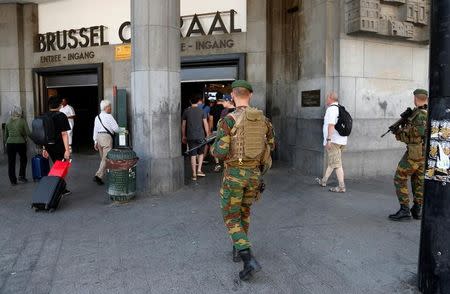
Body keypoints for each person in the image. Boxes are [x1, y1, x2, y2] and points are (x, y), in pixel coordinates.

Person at [211, 80, 275, 281]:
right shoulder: (264, 120)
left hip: (234, 176)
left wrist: (214, 145)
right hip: (255, 175)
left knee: (231, 216)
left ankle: (248, 258)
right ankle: (239, 248)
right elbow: (271, 145)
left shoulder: (228, 120)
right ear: (250, 96)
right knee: (245, 211)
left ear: (232, 96)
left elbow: (220, 152)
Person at [389, 89, 428, 221]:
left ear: (416, 99)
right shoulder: (425, 112)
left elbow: (413, 136)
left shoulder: (420, 115)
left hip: (414, 153)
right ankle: (417, 210)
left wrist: (397, 132)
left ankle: (405, 210)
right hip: (423, 152)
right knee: (418, 180)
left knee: (399, 178)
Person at [315, 92, 348, 193]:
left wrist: (328, 139)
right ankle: (324, 181)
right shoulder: (340, 108)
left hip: (334, 140)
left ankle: (341, 187)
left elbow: (331, 125)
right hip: (341, 140)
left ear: (330, 98)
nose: (326, 100)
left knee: (337, 164)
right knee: (333, 162)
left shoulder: (332, 109)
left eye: (327, 98)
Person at [42, 96, 72, 196]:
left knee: (56, 166)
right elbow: (64, 134)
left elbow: (43, 133)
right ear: (60, 105)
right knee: (61, 168)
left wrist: (44, 148)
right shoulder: (61, 116)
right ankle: (58, 189)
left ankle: (60, 188)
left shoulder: (44, 115)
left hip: (48, 146)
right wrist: (67, 150)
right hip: (59, 147)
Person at [182, 94, 210, 181]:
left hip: (190, 136)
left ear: (190, 102)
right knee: (201, 153)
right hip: (201, 135)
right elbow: (205, 123)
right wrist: (208, 134)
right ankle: (199, 170)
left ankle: (194, 174)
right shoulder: (202, 111)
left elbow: (183, 125)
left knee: (193, 155)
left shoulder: (186, 111)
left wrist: (183, 135)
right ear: (198, 102)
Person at [92, 100, 120, 185]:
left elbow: (95, 130)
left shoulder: (97, 117)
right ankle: (98, 176)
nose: (111, 108)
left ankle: (102, 176)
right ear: (105, 108)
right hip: (106, 138)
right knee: (106, 158)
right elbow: (116, 129)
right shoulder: (109, 116)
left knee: (103, 159)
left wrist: (95, 141)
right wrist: (123, 130)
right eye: (109, 107)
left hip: (99, 138)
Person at [5, 106, 30, 185]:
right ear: (19, 112)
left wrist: (6, 142)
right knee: (23, 159)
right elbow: (28, 132)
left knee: (11, 162)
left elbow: (6, 134)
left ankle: (13, 180)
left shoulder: (8, 121)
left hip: (10, 143)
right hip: (20, 143)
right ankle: (21, 176)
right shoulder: (22, 121)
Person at [209, 93, 225, 172]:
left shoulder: (213, 108)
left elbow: (211, 120)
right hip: (225, 130)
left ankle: (217, 163)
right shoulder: (225, 108)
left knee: (215, 146)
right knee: (225, 145)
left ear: (216, 98)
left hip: (215, 130)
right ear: (222, 98)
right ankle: (225, 163)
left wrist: (210, 130)